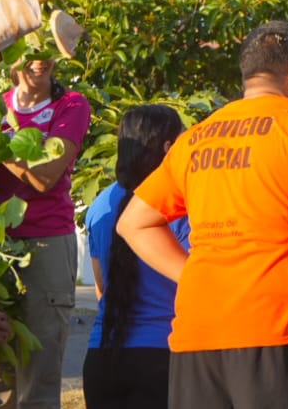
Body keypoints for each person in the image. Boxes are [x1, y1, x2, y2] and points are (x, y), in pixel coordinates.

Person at [117, 21, 288, 409]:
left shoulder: (195, 138)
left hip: (196, 342)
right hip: (281, 333)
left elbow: (134, 223)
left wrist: (193, 275)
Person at [0, 55, 92, 409]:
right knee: (1, 371)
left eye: (46, 52)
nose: (39, 62)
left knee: (40, 371)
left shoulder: (71, 105)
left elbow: (46, 175)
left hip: (47, 242)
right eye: (29, 53)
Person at [83, 104, 189, 409]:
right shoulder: (178, 203)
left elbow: (101, 286)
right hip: (162, 355)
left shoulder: (100, 204)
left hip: (101, 357)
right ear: (168, 148)